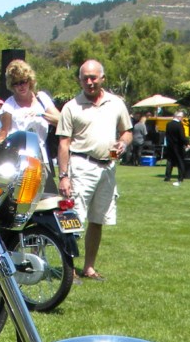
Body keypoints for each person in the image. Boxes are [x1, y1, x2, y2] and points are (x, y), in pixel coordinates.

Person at [56, 59, 133, 281]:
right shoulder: (71, 107)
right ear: (79, 80)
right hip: (81, 166)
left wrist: (123, 143)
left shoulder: (116, 103)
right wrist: (64, 176)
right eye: (85, 78)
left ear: (102, 78)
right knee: (73, 221)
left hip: (107, 167)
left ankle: (89, 268)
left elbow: (127, 131)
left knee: (98, 220)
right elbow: (63, 144)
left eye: (93, 78)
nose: (90, 82)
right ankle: (69, 269)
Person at [163, 111, 187, 185]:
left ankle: (167, 177)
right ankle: (181, 177)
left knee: (170, 161)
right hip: (178, 146)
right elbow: (182, 136)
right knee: (180, 161)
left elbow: (167, 135)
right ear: (179, 117)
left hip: (170, 145)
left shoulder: (168, 124)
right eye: (182, 117)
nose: (182, 119)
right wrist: (187, 143)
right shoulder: (179, 125)